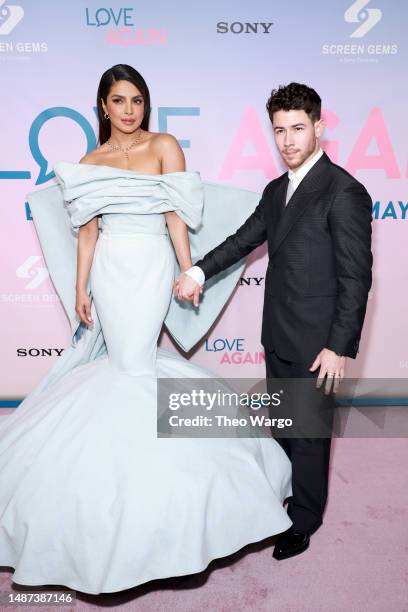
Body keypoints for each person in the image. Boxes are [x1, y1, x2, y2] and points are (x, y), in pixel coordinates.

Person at [0, 65, 293, 595]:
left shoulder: (164, 147)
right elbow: (87, 234)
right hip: (110, 267)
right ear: (104, 107)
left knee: (136, 362)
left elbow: (176, 215)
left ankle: (164, 504)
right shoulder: (90, 161)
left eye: (136, 99)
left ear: (144, 105)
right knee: (126, 367)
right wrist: (80, 288)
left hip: (153, 264)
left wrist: (186, 267)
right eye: (119, 100)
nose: (129, 109)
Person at [176, 82, 373, 560]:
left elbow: (356, 277)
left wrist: (340, 346)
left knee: (309, 436)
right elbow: (243, 239)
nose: (288, 140)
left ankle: (304, 521)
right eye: (280, 130)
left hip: (319, 343)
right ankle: (285, 500)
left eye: (298, 129)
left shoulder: (344, 191)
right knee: (284, 428)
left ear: (319, 128)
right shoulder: (275, 190)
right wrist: (199, 269)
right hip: (279, 334)